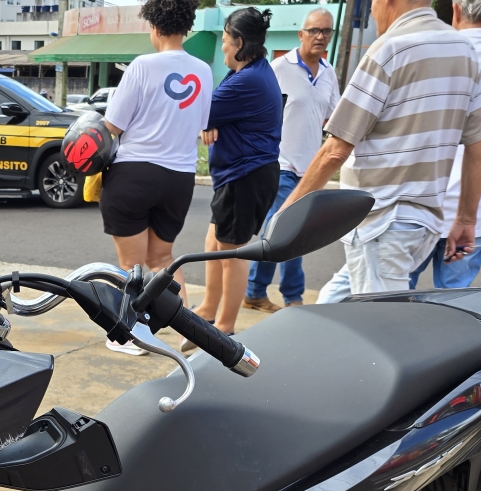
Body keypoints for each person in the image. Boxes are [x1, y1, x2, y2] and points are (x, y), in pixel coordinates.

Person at [284, 0, 481, 297]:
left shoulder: (389, 48)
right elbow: (480, 142)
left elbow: (336, 149)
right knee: (332, 305)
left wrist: (288, 211)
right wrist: (467, 219)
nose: (372, 10)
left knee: (379, 329)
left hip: (382, 221)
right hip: (423, 222)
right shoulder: (463, 49)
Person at [98, 0, 212, 354]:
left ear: (155, 27)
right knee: (163, 259)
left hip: (135, 173)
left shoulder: (143, 66)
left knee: (130, 265)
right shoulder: (204, 70)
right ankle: (188, 328)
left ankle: (131, 335)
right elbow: (201, 126)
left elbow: (112, 125)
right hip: (179, 177)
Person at [188, 8, 282, 349]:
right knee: (214, 245)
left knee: (231, 254)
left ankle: (224, 328)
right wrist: (211, 121)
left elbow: (199, 110)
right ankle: (209, 310)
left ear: (240, 42)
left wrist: (207, 120)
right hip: (240, 175)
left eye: (225, 42)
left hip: (246, 176)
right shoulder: (249, 72)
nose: (223, 49)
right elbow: (211, 113)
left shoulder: (246, 81)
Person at [244, 7, 340, 312]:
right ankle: (293, 299)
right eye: (314, 30)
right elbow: (255, 109)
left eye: (326, 31)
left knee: (279, 230)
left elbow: (333, 118)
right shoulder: (279, 68)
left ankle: (255, 291)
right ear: (302, 34)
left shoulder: (329, 73)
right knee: (294, 231)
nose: (320, 37)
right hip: (281, 164)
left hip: (311, 169)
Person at [411, 0, 481, 289]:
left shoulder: (425, 52)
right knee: (454, 311)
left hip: (415, 207)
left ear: (455, 9)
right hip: (471, 214)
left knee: (389, 303)